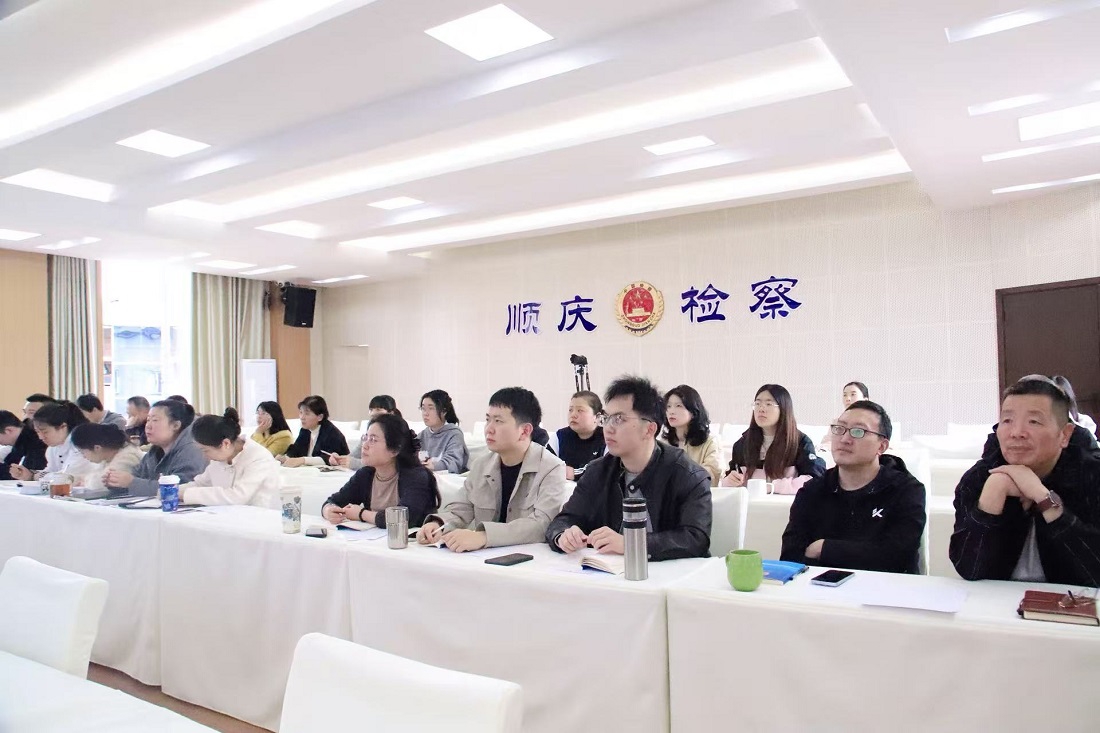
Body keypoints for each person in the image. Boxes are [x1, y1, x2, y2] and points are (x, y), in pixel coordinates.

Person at [951, 378, 1100, 585]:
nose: (1016, 433)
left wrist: (1043, 497)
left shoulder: (1091, 476)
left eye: (1034, 422)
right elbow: (969, 570)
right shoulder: (979, 478)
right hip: (998, 602)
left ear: (1065, 435)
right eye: (1007, 421)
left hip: (1072, 602)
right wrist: (995, 489)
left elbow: (1095, 573)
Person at [546, 376, 712, 560]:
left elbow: (695, 539)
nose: (608, 428)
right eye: (606, 418)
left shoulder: (687, 474)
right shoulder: (598, 471)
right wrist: (564, 535)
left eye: (619, 419)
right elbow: (564, 519)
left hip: (668, 574)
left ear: (649, 429)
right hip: (607, 572)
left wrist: (632, 543)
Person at [780, 401, 926, 573]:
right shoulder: (812, 490)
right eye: (839, 429)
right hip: (819, 587)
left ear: (882, 446)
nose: (844, 439)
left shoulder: (906, 491)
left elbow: (896, 556)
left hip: (886, 587)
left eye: (858, 431)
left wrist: (824, 548)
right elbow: (791, 556)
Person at [418, 387, 567, 551]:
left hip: (529, 558)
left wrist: (484, 536)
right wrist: (437, 525)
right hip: (483, 558)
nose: (489, 428)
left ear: (524, 431)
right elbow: (460, 510)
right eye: (488, 420)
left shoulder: (551, 468)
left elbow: (541, 524)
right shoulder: (481, 465)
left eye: (498, 421)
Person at [321, 413, 439, 528]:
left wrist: (362, 514)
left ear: (395, 450)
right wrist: (328, 511)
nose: (365, 445)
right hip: (374, 539)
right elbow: (333, 501)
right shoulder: (366, 474)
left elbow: (404, 518)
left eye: (373, 440)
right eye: (365, 438)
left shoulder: (416, 477)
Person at [720, 384, 825, 493]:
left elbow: (813, 480)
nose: (761, 409)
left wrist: (773, 487)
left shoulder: (800, 442)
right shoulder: (742, 444)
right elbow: (731, 478)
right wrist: (729, 481)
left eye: (768, 404)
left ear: (783, 409)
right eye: (757, 403)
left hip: (786, 503)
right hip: (751, 503)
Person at [103, 399, 208, 496]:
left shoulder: (192, 450)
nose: (148, 426)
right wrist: (116, 481)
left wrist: (131, 482)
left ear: (175, 425)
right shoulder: (155, 450)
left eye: (155, 420)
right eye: (148, 420)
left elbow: (180, 489)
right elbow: (137, 477)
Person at [183, 408, 282, 508]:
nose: (204, 456)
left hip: (259, 514)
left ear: (225, 443)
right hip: (227, 513)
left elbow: (237, 497)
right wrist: (175, 490)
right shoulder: (222, 456)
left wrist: (186, 495)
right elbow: (201, 483)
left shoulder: (258, 457)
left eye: (205, 450)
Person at [9, 401, 97, 484]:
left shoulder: (83, 445)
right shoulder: (53, 448)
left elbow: (66, 477)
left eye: (45, 432)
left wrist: (35, 476)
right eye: (38, 432)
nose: (41, 437)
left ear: (63, 427)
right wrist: (29, 475)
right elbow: (51, 471)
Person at [663, 385, 721, 486]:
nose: (671, 411)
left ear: (693, 412)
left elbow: (712, 475)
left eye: (678, 406)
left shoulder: (710, 441)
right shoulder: (663, 443)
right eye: (668, 406)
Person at [329, 395, 402, 470]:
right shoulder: (368, 431)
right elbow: (354, 455)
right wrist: (339, 459)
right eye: (371, 409)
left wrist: (353, 463)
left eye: (378, 409)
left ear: (391, 413)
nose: (373, 413)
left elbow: (388, 464)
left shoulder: (398, 433)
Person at [70, 422, 144, 492]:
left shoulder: (128, 457)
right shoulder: (108, 456)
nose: (83, 456)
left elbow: (100, 484)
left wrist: (86, 482)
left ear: (97, 448)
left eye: (82, 452)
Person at [281, 395, 349, 467]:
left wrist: (303, 460)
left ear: (320, 417)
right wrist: (285, 457)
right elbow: (296, 449)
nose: (302, 417)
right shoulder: (305, 430)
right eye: (301, 412)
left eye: (307, 414)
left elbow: (327, 458)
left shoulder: (332, 434)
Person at [554, 391, 605, 480]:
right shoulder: (559, 436)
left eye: (580, 410)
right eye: (570, 410)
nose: (573, 415)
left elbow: (603, 471)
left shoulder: (607, 438)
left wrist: (574, 473)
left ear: (597, 417)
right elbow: (545, 466)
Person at [0, 396, 51, 480]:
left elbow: (23, 473)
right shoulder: (20, 441)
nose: (26, 417)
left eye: (32, 413)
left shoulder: (37, 441)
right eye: (24, 412)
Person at [417, 389, 468, 474]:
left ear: (444, 411)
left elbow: (454, 463)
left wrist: (434, 466)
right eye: (423, 408)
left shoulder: (454, 434)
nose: (425, 413)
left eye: (431, 408)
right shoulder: (421, 435)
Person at [821, 382, 870, 451]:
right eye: (845, 395)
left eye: (853, 394)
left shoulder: (873, 422)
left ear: (865, 400)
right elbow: (827, 443)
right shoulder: (837, 422)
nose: (848, 398)